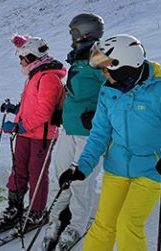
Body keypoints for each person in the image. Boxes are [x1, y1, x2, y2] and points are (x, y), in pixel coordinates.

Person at [59, 34, 161, 251]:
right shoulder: (109, 91)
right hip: (117, 166)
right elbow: (100, 134)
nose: (102, 72)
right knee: (103, 224)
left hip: (153, 169)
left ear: (124, 65)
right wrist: (81, 168)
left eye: (106, 67)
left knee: (128, 224)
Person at [39, 13, 107, 250]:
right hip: (69, 129)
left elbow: (116, 89)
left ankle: (76, 225)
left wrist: (97, 114)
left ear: (83, 32)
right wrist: (61, 111)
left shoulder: (98, 57)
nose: (71, 36)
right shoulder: (78, 59)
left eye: (73, 32)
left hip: (90, 134)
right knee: (60, 177)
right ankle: (55, 221)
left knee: (81, 181)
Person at [0, 35, 66, 231]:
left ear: (32, 57)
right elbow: (31, 107)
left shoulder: (49, 77)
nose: (21, 63)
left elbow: (45, 112)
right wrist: (16, 110)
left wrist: (19, 126)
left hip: (41, 136)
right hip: (27, 134)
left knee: (37, 173)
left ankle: (37, 212)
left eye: (22, 58)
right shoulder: (36, 75)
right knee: (19, 170)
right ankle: (14, 207)